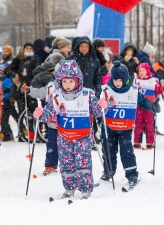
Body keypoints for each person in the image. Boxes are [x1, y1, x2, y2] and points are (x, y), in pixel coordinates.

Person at [33, 59, 107, 199]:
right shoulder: (57, 96)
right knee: (66, 162)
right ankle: (69, 187)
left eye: (71, 81)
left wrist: (103, 106)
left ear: (78, 80)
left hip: (83, 136)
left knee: (83, 162)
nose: (67, 85)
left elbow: (98, 113)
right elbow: (49, 114)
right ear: (60, 81)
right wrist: (40, 114)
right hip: (64, 136)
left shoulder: (87, 94)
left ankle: (85, 188)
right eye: (64, 81)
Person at [100, 61, 157, 185]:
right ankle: (108, 171)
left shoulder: (132, 91)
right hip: (109, 127)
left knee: (126, 151)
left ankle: (131, 174)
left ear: (125, 79)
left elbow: (142, 102)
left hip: (125, 128)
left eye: (120, 80)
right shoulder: (106, 89)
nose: (118, 83)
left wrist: (152, 106)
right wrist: (101, 104)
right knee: (108, 150)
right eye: (115, 80)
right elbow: (98, 105)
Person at [22, 61, 58, 175]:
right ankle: (51, 165)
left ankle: (69, 165)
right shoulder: (52, 83)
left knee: (65, 144)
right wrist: (29, 90)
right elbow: (41, 92)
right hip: (53, 118)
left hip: (65, 121)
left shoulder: (71, 86)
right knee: (53, 142)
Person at [67, 36, 102, 150]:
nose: (84, 48)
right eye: (82, 46)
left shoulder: (95, 60)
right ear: (78, 47)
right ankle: (75, 138)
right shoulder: (71, 60)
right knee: (77, 117)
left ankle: (90, 139)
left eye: (86, 46)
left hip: (88, 93)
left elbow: (97, 77)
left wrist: (98, 89)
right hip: (73, 93)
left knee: (90, 118)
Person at [133, 63, 164, 149]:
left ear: (147, 71)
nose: (141, 72)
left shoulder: (153, 80)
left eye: (143, 70)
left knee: (149, 124)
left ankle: (150, 142)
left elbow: (159, 90)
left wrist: (161, 87)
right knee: (138, 124)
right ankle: (137, 141)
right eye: (140, 71)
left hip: (149, 106)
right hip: (139, 106)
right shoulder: (136, 80)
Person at [0, 45, 18, 141]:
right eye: (3, 51)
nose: (4, 53)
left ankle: (7, 134)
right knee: (12, 112)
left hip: (9, 91)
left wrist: (9, 88)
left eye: (6, 51)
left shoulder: (12, 62)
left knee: (5, 116)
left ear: (10, 52)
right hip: (4, 91)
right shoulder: (2, 62)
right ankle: (22, 129)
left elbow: (14, 77)